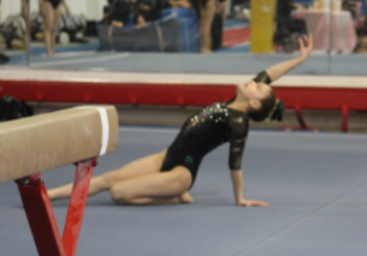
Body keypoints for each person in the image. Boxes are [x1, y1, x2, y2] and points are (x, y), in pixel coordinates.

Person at [48, 35, 313, 207]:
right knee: (110, 178)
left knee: (119, 193)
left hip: (181, 174)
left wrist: (240, 198)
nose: (255, 81)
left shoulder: (239, 122)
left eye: (258, 87)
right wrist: (299, 59)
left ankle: (171, 196)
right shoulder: (235, 100)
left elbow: (235, 164)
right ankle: (48, 196)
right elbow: (270, 75)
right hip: (166, 157)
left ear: (253, 104)